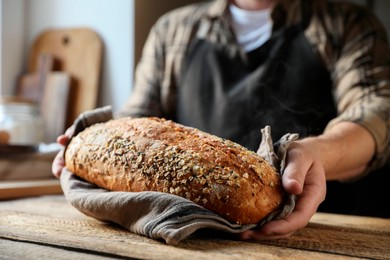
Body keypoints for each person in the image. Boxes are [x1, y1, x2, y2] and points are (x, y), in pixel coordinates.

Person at [53, 0, 390, 240]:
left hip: (328, 231)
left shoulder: (345, 23)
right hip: (195, 240)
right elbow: (134, 124)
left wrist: (317, 154)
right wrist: (89, 138)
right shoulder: (173, 31)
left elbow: (377, 114)